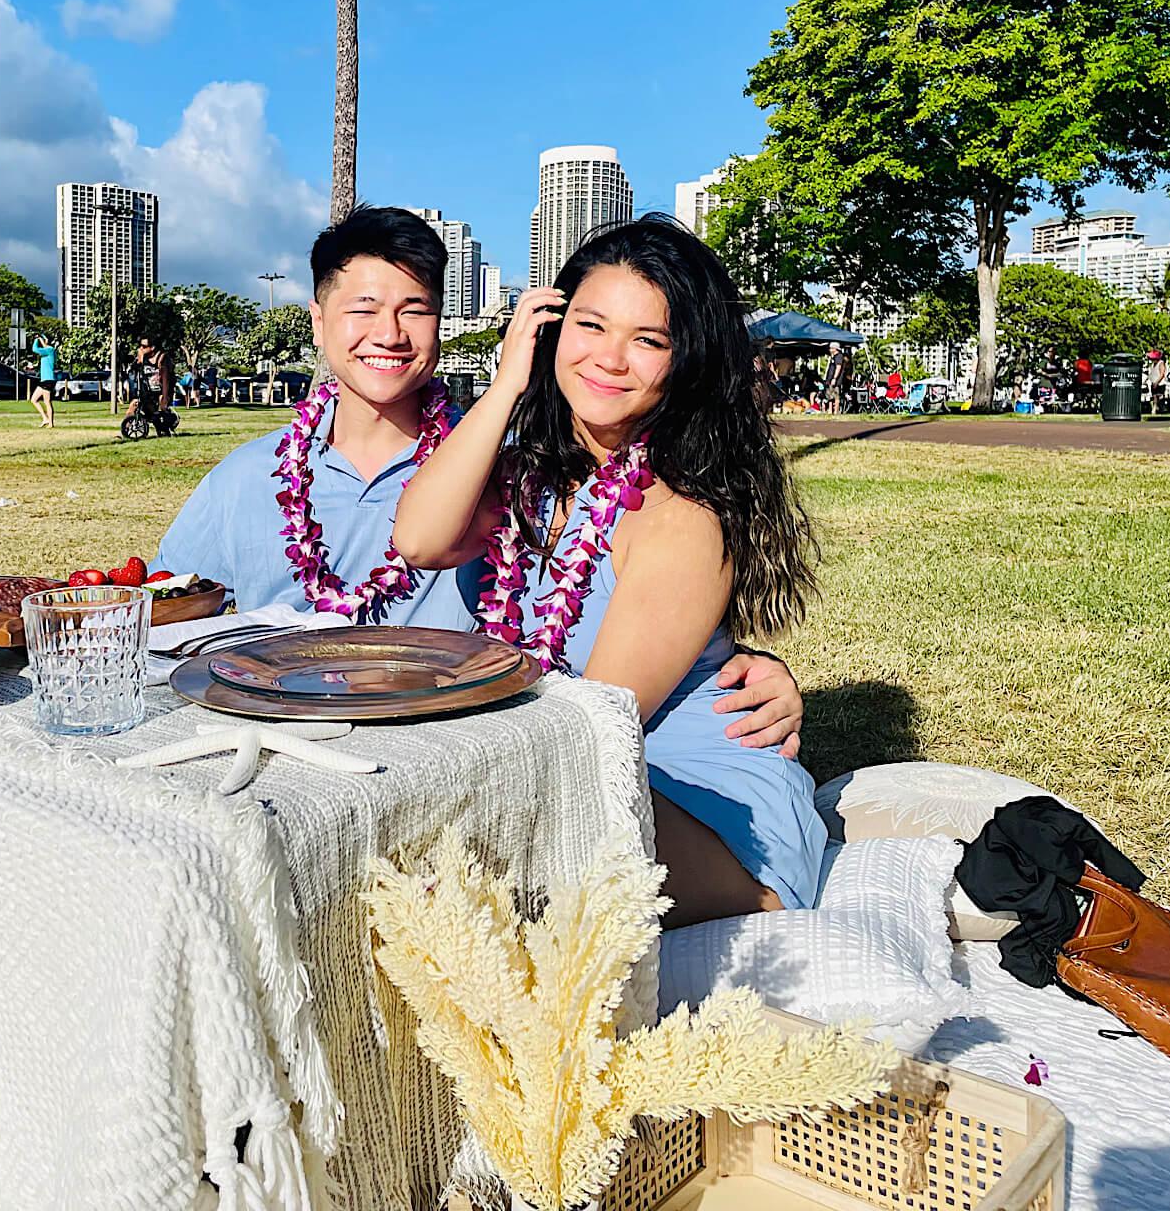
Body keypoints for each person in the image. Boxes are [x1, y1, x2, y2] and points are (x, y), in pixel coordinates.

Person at [156, 204, 805, 753]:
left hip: (558, 760)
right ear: (318, 322)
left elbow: (601, 708)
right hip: (341, 747)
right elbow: (161, 620)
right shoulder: (245, 480)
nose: (388, 333)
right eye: (363, 309)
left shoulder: (509, 461)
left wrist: (747, 663)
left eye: (414, 309)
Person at [394, 215, 827, 926]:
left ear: (685, 361)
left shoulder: (681, 517)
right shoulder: (528, 480)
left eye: (648, 340)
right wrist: (508, 386)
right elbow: (418, 538)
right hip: (569, 773)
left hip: (702, 818)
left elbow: (593, 729)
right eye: (590, 326)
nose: (611, 359)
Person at [28, 335, 58, 429]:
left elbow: (35, 349)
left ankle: (51, 423)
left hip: (48, 380)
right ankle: (45, 418)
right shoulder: (47, 351)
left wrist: (37, 339)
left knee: (47, 402)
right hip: (44, 380)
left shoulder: (50, 349)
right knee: (34, 400)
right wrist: (40, 338)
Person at [823, 344, 849, 415]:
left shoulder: (839, 356)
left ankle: (836, 411)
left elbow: (838, 367)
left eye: (831, 348)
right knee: (829, 396)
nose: (830, 350)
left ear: (835, 349)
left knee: (836, 396)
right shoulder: (833, 357)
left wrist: (834, 378)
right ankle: (830, 410)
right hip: (829, 380)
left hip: (835, 381)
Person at [1146, 349, 1170, 415]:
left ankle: (1161, 409)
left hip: (1160, 383)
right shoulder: (1152, 364)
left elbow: (1162, 374)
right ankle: (1154, 409)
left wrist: (1157, 382)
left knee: (1160, 397)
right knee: (1154, 397)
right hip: (1153, 382)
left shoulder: (1161, 363)